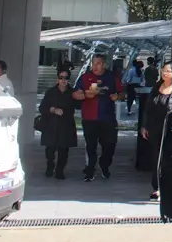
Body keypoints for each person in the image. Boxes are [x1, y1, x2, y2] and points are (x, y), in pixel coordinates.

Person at [72, 53, 125, 181]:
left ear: (104, 64)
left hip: (108, 118)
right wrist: (85, 94)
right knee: (91, 146)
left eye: (98, 63)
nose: (95, 66)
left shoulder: (112, 77)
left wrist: (118, 96)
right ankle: (90, 171)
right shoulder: (85, 77)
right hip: (90, 118)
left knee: (110, 145)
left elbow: (123, 92)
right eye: (94, 63)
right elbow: (75, 94)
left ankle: (104, 165)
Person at [141, 62, 172, 200]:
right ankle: (158, 187)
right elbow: (148, 108)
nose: (164, 73)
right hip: (156, 129)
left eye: (168, 71)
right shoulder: (156, 87)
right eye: (163, 70)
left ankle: (168, 188)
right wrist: (145, 126)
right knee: (157, 159)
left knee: (168, 160)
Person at [38, 69, 77, 179]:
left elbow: (79, 105)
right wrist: (53, 110)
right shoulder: (50, 92)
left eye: (66, 78)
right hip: (51, 125)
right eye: (61, 77)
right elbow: (42, 108)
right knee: (50, 149)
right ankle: (50, 167)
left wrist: (81, 97)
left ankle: (60, 171)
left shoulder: (72, 93)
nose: (63, 80)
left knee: (63, 150)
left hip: (66, 125)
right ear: (57, 79)